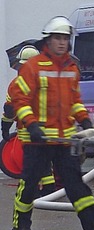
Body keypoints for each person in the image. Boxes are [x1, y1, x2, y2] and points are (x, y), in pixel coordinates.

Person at [10, 16, 94, 230]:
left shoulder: (71, 67)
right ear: (48, 41)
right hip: (38, 139)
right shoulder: (33, 67)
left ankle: (93, 225)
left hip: (64, 139)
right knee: (30, 183)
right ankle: (21, 225)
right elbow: (20, 99)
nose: (61, 43)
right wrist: (31, 124)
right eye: (57, 38)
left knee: (75, 183)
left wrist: (85, 120)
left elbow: (74, 100)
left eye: (65, 39)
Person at [2, 45, 57, 196]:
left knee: (30, 162)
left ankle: (28, 192)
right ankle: (48, 188)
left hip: (28, 131)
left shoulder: (16, 84)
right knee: (44, 159)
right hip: (49, 128)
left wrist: (5, 126)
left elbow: (10, 109)